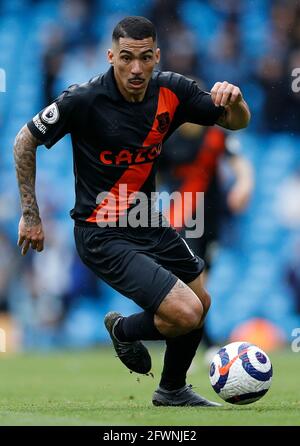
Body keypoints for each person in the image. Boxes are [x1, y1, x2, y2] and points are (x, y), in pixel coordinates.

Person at [14, 16, 251, 407]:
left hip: (147, 219)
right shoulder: (83, 99)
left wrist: (237, 101)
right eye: (126, 58)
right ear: (111, 56)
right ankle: (125, 331)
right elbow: (25, 140)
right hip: (100, 230)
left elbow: (236, 124)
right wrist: (31, 214)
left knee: (201, 303)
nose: (136, 68)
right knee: (187, 312)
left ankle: (171, 390)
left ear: (157, 56)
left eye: (145, 58)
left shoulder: (172, 91)